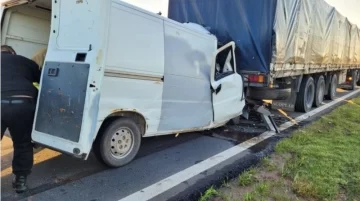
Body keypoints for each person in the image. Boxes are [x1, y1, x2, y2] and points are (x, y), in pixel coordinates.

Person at [1, 45, 41, 193]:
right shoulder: (25, 62)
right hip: (23, 103)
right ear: (13, 53)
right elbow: (43, 79)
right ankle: (20, 182)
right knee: (23, 144)